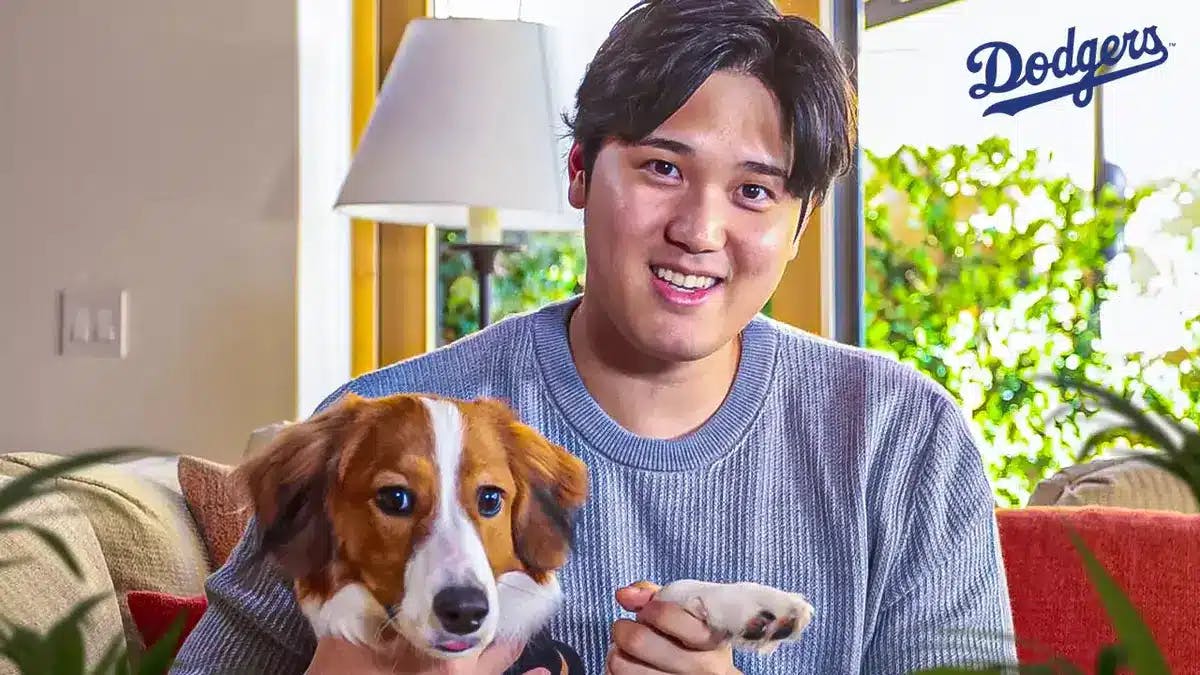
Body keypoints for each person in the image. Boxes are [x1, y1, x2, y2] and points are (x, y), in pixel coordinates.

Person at [171, 0, 1018, 673]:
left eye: (755, 191)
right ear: (579, 172)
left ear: (801, 225)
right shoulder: (375, 435)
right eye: (662, 167)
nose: (700, 228)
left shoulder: (905, 439)